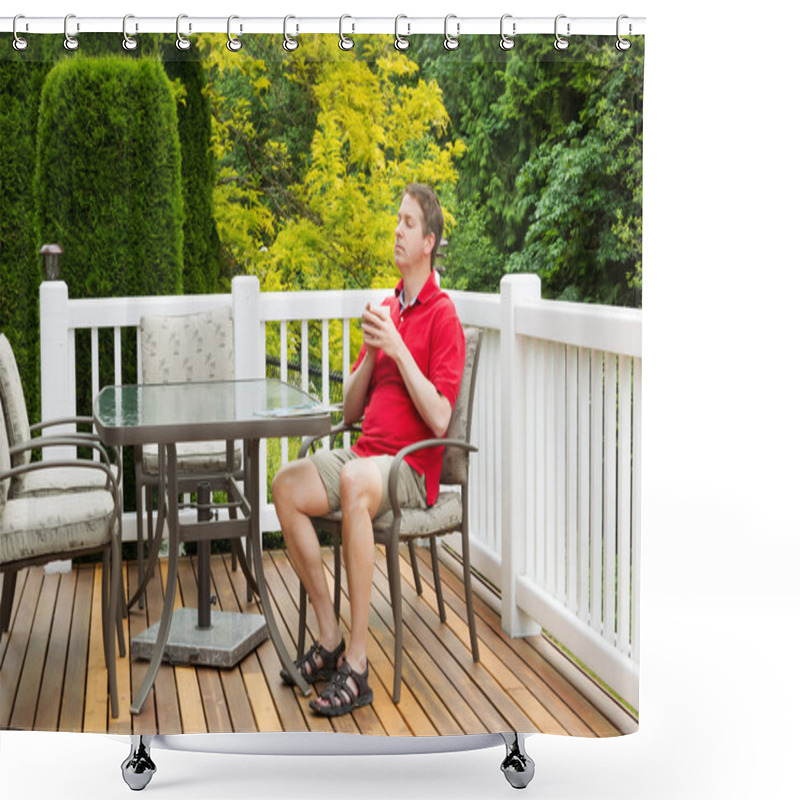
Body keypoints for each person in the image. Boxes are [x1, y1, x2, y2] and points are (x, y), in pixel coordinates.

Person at [272, 183, 465, 716]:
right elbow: (351, 411)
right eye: (396, 220)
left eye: (407, 223)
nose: (396, 231)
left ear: (428, 241)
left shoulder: (443, 318)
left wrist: (400, 350)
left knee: (356, 483)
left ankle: (357, 668)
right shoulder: (386, 309)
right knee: (285, 485)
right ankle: (331, 638)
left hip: (409, 467)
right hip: (365, 454)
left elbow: (442, 416)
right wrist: (367, 358)